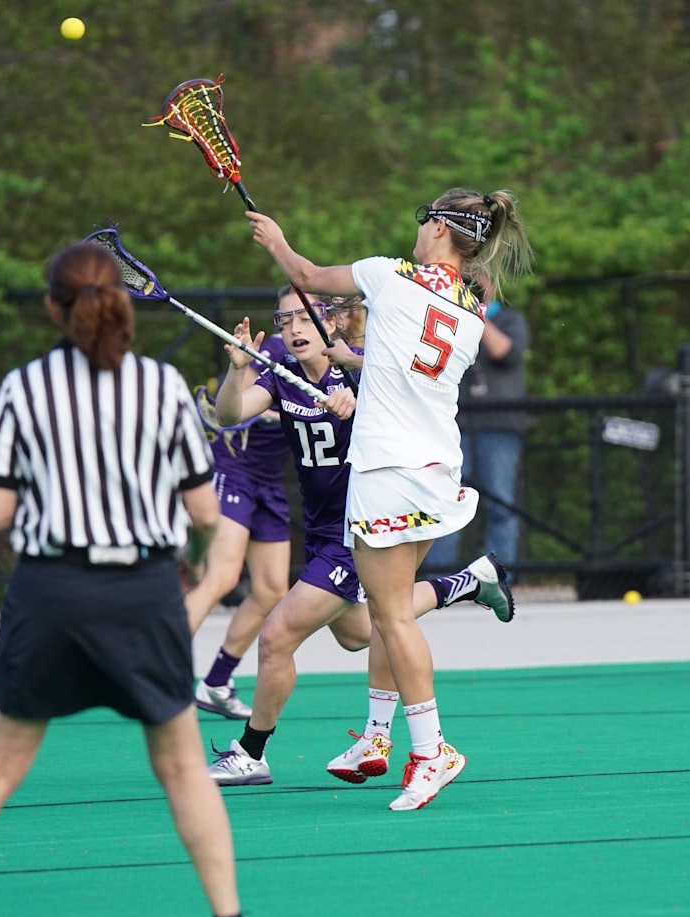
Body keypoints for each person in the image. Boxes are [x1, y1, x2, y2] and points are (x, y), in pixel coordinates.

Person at [0, 242, 257, 917]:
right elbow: (204, 506)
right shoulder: (163, 388)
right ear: (122, 302)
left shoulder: (25, 387)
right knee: (183, 769)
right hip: (143, 594)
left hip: (50, 591)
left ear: (54, 307)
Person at [247, 187, 532, 811]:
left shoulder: (389, 276)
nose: (416, 228)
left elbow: (305, 275)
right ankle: (377, 737)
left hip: (388, 470)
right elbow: (403, 357)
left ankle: (432, 751)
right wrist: (351, 355)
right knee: (384, 611)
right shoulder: (469, 307)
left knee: (391, 616)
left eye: (422, 218)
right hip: (434, 469)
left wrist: (276, 241)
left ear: (438, 227)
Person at [206, 286, 514, 791]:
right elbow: (228, 415)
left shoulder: (367, 367)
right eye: (284, 322)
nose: (293, 331)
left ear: (330, 318)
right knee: (360, 633)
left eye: (303, 319)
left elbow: (408, 411)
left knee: (277, 636)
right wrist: (238, 368)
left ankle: (250, 752)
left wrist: (360, 400)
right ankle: (468, 582)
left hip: (361, 526)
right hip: (321, 525)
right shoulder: (279, 368)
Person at [185, 327, 296, 721]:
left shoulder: (344, 356)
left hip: (270, 482)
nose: (299, 324)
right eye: (292, 315)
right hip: (235, 470)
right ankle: (153, 673)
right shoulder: (279, 348)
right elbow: (241, 400)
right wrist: (283, 407)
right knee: (222, 578)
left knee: (270, 590)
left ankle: (216, 683)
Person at [424, 270, 531, 573]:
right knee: (448, 501)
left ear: (491, 283)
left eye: (476, 281)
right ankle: (440, 580)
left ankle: (497, 576)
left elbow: (504, 351)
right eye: (464, 280)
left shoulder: (510, 320)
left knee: (501, 504)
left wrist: (476, 312)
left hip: (499, 426)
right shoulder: (451, 322)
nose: (470, 286)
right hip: (455, 427)